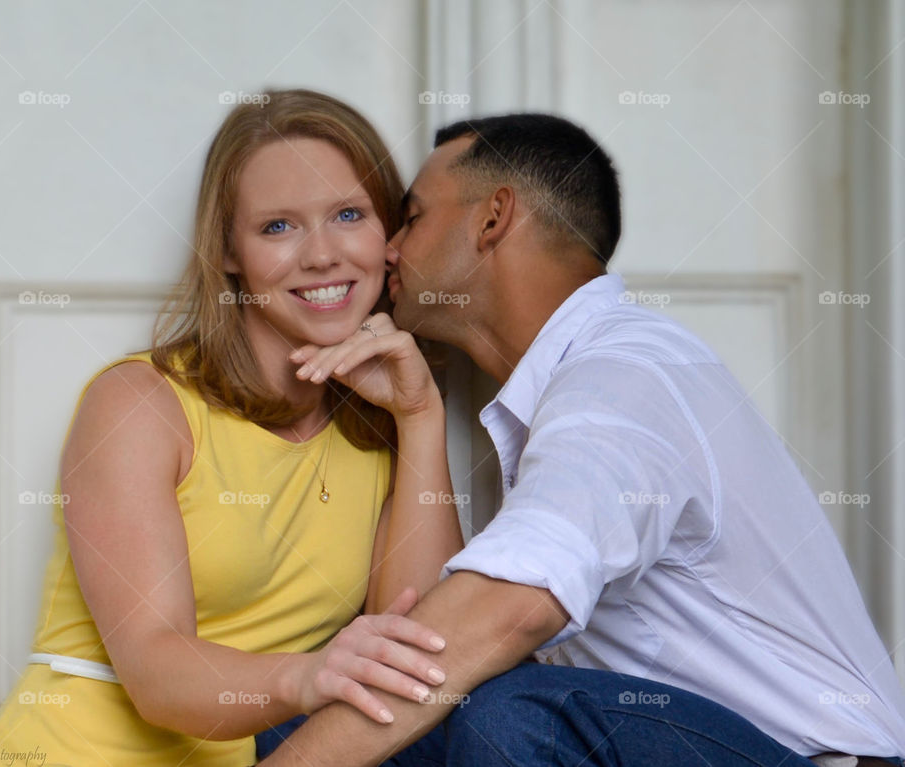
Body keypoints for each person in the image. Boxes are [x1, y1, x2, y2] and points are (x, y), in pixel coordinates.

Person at [257, 114, 905, 766]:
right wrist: (419, 414)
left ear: (493, 218)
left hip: (809, 758)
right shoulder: (560, 388)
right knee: (310, 720)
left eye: (413, 217)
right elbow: (432, 652)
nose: (388, 248)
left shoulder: (624, 375)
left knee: (514, 716)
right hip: (672, 744)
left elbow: (508, 609)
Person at [0, 88, 463, 766]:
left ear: (389, 237)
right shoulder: (139, 404)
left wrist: (420, 416)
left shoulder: (378, 433)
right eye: (278, 227)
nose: (322, 255)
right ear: (228, 252)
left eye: (349, 213)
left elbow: (421, 650)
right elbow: (155, 672)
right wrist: (305, 674)